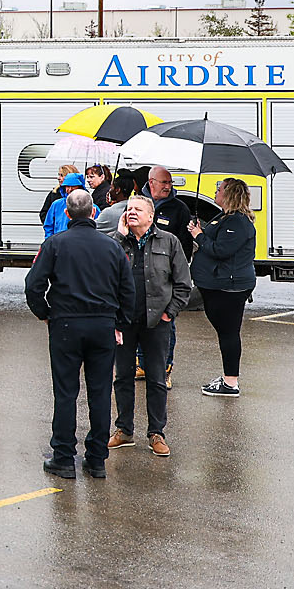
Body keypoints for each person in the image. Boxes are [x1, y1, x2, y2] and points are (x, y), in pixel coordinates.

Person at [24, 190, 135, 480]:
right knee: (99, 393)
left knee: (66, 392)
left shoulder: (55, 244)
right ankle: (97, 458)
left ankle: (63, 456)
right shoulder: (112, 248)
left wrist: (45, 313)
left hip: (65, 325)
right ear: (94, 213)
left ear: (68, 214)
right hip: (102, 325)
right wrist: (119, 322)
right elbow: (128, 290)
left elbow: (33, 284)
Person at [107, 196, 191, 457]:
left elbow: (183, 284)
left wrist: (169, 313)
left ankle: (157, 433)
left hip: (156, 322)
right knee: (122, 377)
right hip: (124, 322)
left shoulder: (169, 241)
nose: (131, 213)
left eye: (137, 209)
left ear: (151, 216)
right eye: (128, 209)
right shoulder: (115, 242)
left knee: (156, 379)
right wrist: (119, 237)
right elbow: (103, 271)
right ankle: (124, 430)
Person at [190, 178, 257, 398]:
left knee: (229, 333)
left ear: (228, 194)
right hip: (219, 285)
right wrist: (200, 229)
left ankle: (230, 383)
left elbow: (220, 250)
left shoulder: (237, 222)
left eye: (218, 189)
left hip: (230, 287)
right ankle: (229, 378)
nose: (215, 192)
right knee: (225, 332)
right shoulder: (226, 217)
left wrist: (198, 236)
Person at [146, 166, 195, 382]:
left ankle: (165, 368)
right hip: (142, 274)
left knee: (166, 322)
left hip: (166, 277)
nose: (168, 186)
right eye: (163, 182)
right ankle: (142, 364)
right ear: (151, 182)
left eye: (170, 183)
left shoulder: (179, 209)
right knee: (141, 320)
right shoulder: (139, 204)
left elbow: (184, 247)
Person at [43, 172, 92, 238]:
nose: (70, 189)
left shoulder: (90, 205)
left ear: (80, 187)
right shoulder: (56, 205)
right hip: (59, 243)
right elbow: (48, 226)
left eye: (73, 186)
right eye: (67, 186)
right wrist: (50, 241)